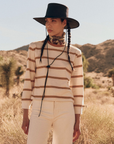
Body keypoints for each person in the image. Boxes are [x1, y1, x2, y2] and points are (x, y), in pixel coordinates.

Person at [21, 3, 84, 144]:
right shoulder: (35, 48)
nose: (48, 25)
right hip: (39, 107)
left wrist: (78, 120)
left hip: (65, 109)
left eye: (53, 20)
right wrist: (25, 114)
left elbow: (78, 89)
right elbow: (28, 81)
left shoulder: (75, 53)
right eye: (46, 21)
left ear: (64, 23)